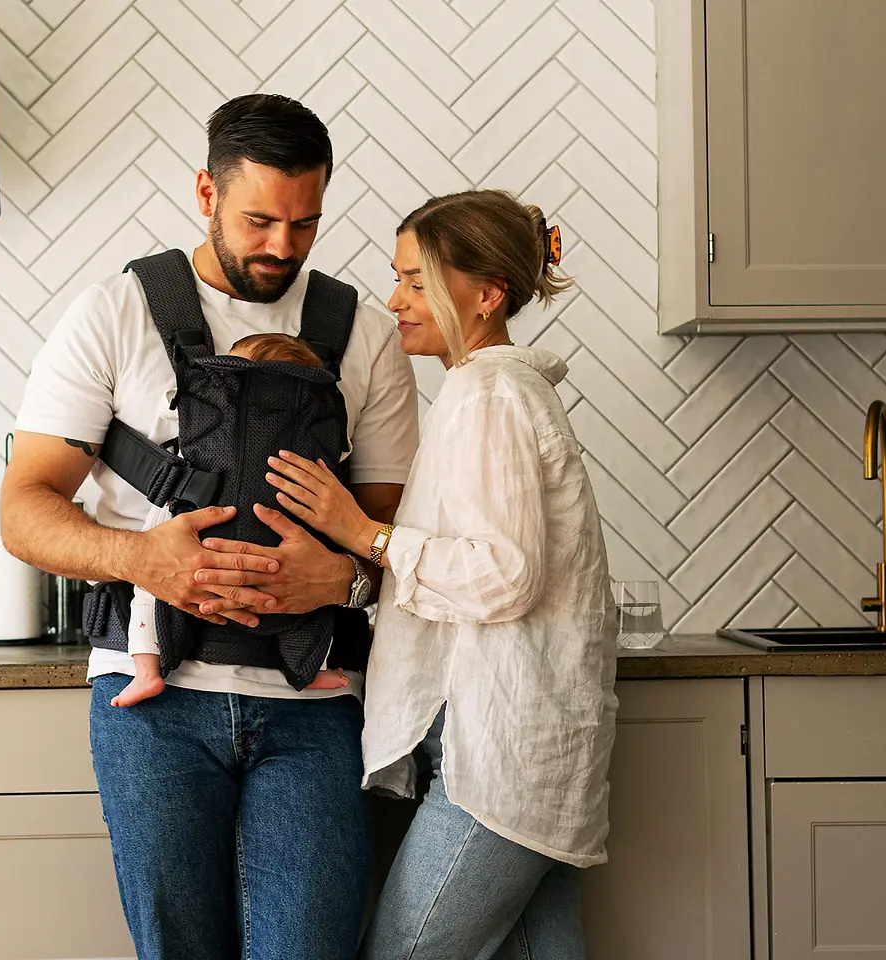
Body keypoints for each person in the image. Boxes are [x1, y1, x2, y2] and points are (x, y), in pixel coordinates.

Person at [0, 94, 419, 960]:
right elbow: (25, 509)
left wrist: (340, 579)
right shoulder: (114, 315)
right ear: (206, 191)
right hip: (151, 706)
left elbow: (394, 541)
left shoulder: (364, 337)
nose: (282, 248)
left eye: (305, 224)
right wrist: (144, 560)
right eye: (260, 219)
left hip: (315, 702)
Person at [261, 189, 618, 960]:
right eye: (399, 279)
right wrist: (352, 574)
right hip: (515, 748)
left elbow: (502, 576)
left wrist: (362, 532)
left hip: (499, 755)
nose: (395, 301)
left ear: (486, 294)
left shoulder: (490, 395)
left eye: (418, 283)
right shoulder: (484, 390)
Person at [114, 333, 352, 709]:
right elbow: (343, 450)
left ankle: (146, 671)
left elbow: (168, 423)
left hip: (199, 512)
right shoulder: (318, 419)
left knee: (147, 589)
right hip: (284, 536)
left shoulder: (206, 408)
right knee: (311, 605)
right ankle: (310, 669)